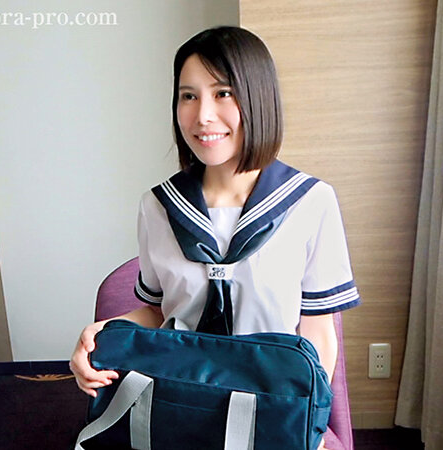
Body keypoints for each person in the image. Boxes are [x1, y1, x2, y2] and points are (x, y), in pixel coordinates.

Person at [70, 26, 360, 447]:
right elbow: (159, 312)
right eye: (188, 96)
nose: (203, 115)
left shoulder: (310, 203)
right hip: (180, 400)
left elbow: (317, 331)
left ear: (258, 98)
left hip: (268, 404)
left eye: (223, 93)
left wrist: (306, 421)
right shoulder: (158, 207)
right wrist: (98, 334)